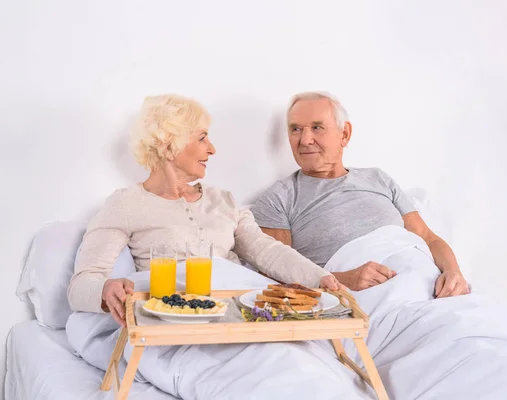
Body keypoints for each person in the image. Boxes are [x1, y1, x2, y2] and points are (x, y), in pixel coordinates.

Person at [67, 93, 345, 327]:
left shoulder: (224, 201)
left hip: (239, 320)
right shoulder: (125, 204)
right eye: (202, 138)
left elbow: (267, 251)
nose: (211, 149)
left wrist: (321, 278)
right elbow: (81, 285)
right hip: (175, 326)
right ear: (169, 145)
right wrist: (105, 289)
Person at [251, 91, 470, 298]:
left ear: (344, 134)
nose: (305, 139)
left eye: (317, 127)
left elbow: (429, 238)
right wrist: (342, 280)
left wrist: (454, 272)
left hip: (433, 287)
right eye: (296, 129)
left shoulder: (378, 179)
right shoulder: (279, 199)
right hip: (372, 300)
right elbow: (274, 275)